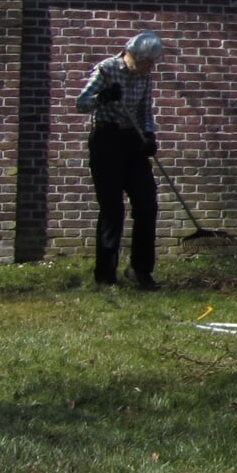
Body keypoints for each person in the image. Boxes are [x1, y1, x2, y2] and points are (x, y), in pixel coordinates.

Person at [75, 31, 166, 290]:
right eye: (149, 61)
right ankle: (105, 276)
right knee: (113, 210)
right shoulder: (106, 70)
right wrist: (102, 98)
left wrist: (149, 135)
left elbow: (144, 110)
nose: (152, 67)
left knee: (147, 204)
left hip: (132, 141)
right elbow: (80, 104)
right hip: (106, 140)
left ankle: (140, 271)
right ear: (135, 56)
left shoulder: (144, 76)